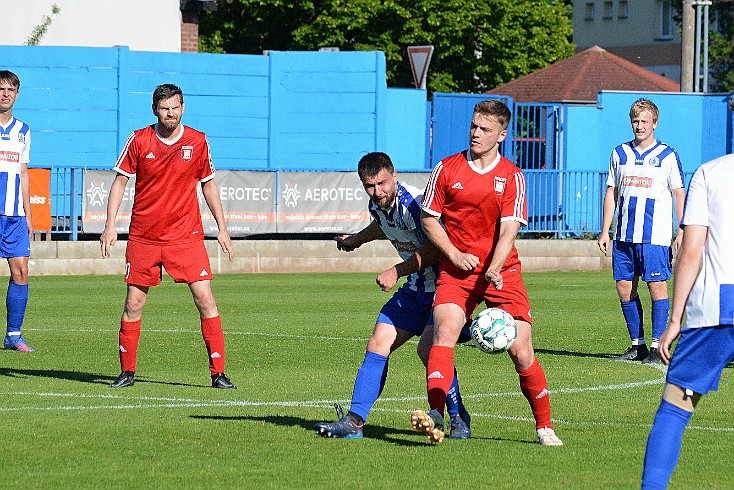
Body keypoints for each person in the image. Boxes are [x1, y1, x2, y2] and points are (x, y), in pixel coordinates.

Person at [411, 99, 563, 446]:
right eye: (473, 126)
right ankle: (437, 413)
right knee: (443, 332)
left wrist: (494, 266)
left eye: (484, 129)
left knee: (521, 350)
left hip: (502, 272)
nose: (476, 133)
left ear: (502, 135)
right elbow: (428, 218)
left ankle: (544, 427)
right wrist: (452, 252)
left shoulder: (511, 176)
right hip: (457, 271)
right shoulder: (447, 169)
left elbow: (510, 227)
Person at [314, 152, 472, 440]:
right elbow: (382, 226)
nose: (377, 192)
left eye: (382, 184)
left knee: (429, 351)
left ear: (394, 175)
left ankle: (458, 417)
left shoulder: (415, 204)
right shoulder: (379, 204)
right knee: (378, 342)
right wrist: (355, 240)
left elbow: (437, 248)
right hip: (416, 288)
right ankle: (355, 422)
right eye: (369, 186)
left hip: (443, 286)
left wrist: (396, 271)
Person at [100, 83, 236, 389]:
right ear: (155, 110)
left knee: (205, 299)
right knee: (133, 303)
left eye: (175, 107)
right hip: (144, 237)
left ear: (183, 108)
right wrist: (111, 225)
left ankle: (218, 373)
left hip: (186, 237)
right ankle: (127, 372)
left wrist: (222, 228)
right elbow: (120, 182)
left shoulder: (198, 140)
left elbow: (209, 184)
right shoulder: (139, 139)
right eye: (164, 108)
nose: (170, 113)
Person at [640, 153, 734, 489]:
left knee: (676, 408)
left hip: (716, 305)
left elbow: (691, 249)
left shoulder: (711, 173)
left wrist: (675, 318)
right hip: (718, 304)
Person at [598, 98, 686, 365]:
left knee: (657, 287)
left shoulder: (668, 155)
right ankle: (638, 346)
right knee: (625, 288)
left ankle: (660, 347)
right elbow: (611, 192)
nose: (639, 126)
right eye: (635, 121)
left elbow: (678, 193)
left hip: (655, 236)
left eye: (644, 121)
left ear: (654, 123)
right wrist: (605, 230)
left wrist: (681, 229)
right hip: (624, 235)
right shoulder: (619, 153)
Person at [0, 70, 34, 352]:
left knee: (21, 270)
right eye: (1, 89)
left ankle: (13, 335)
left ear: (17, 94)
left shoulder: (23, 131)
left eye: (10, 90)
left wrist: (29, 215)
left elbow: (23, 172)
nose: (5, 94)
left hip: (15, 215)